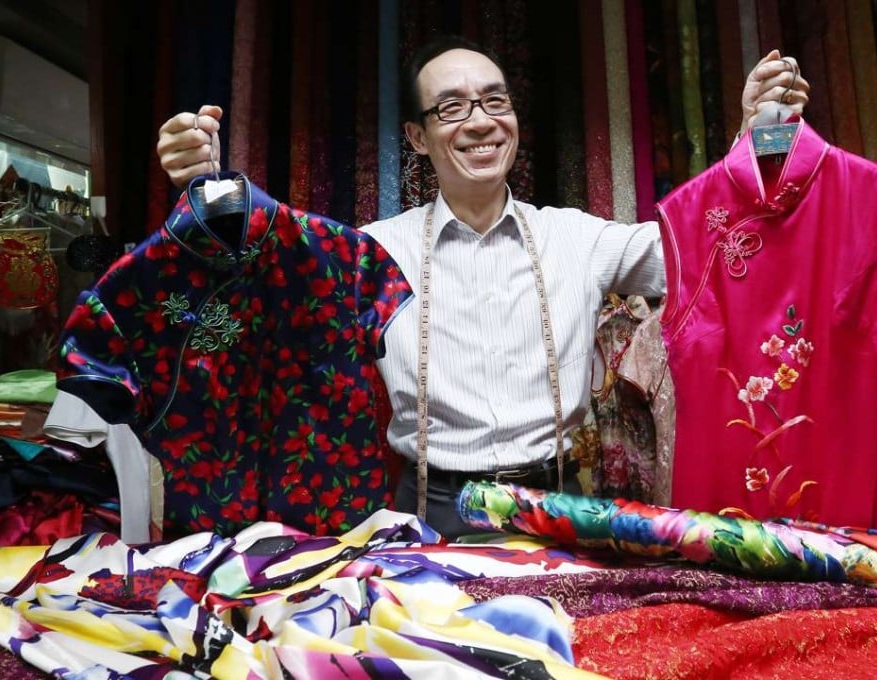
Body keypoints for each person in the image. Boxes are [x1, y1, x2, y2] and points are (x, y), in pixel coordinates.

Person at [156, 37, 810, 538]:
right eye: (451, 108)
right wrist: (208, 185)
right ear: (417, 137)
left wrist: (761, 139)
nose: (479, 122)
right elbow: (261, 285)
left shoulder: (575, 238)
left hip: (561, 506)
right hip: (429, 513)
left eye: (495, 101)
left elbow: (711, 252)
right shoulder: (373, 252)